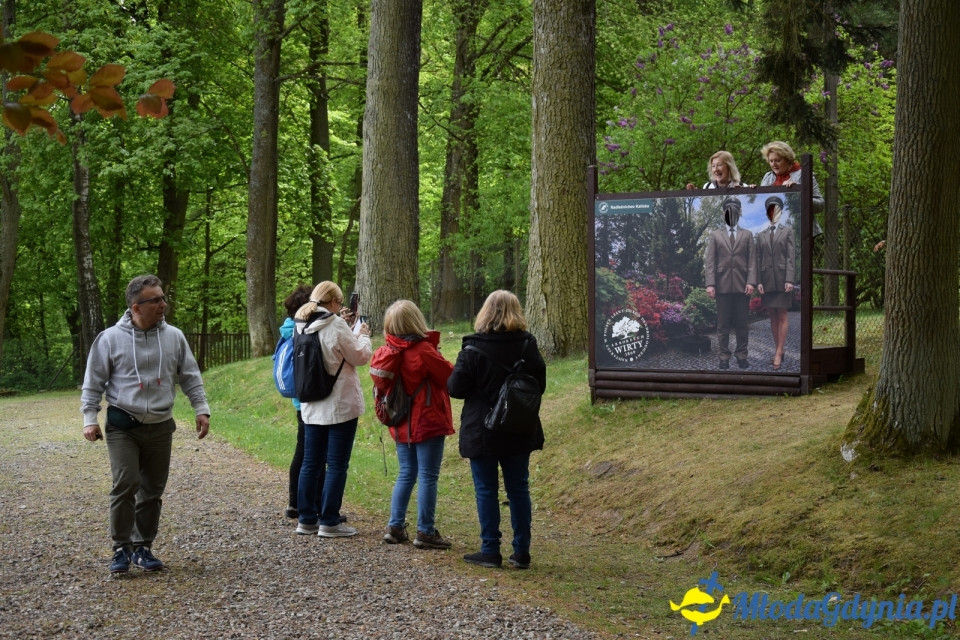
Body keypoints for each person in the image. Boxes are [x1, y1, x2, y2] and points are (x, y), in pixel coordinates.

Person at [81, 274, 211, 575]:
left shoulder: (174, 336)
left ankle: (143, 547)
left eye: (163, 298)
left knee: (152, 489)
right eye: (156, 300)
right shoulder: (110, 339)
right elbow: (93, 383)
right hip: (123, 424)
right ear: (137, 307)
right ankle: (120, 549)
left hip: (161, 426)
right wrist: (90, 419)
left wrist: (201, 409)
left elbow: (190, 376)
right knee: (126, 482)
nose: (163, 304)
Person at [447, 290, 546, 569]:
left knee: (486, 489)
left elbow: (455, 388)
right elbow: (539, 385)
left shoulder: (473, 347)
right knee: (519, 488)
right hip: (518, 424)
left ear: (485, 313)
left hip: (483, 427)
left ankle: (490, 549)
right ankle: (522, 551)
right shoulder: (528, 345)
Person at [373, 300, 455, 549]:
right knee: (428, 476)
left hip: (401, 424)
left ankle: (395, 526)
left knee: (406, 473)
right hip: (427, 422)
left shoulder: (388, 351)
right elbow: (448, 376)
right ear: (416, 321)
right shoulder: (422, 351)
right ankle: (425, 531)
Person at [295, 281, 371, 538]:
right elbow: (359, 356)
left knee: (311, 462)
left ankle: (306, 519)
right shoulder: (335, 324)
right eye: (339, 303)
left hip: (312, 404)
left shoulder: (301, 324)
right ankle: (329, 520)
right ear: (333, 302)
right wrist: (363, 334)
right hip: (339, 404)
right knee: (337, 464)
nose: (341, 308)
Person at [279, 284, 320, 519]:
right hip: (310, 398)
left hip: (298, 397)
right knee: (313, 455)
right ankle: (311, 505)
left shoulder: (288, 328)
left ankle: (296, 503)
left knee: (302, 452)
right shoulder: (305, 330)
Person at [703, 196, 757, 370]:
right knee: (723, 324)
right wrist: (710, 284)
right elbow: (710, 261)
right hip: (722, 286)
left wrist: (751, 282)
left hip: (743, 286)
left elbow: (752, 262)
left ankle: (742, 356)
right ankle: (724, 357)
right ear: (723, 213)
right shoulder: (715, 235)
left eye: (735, 211)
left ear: (739, 213)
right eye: (728, 211)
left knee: (742, 324)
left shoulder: (747, 235)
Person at [756, 196, 795, 370]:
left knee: (782, 315)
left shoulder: (787, 231)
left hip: (782, 278)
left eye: (776, 209)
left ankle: (779, 351)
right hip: (766, 280)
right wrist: (758, 281)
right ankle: (778, 348)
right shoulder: (761, 235)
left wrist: (789, 279)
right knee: (772, 315)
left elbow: (791, 257)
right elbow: (758, 259)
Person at [759, 141, 824, 212]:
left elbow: (820, 205)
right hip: (774, 222)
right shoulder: (768, 177)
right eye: (771, 161)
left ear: (787, 159)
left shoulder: (804, 175)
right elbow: (761, 205)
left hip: (799, 221)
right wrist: (751, 192)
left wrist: (796, 195)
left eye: (777, 160)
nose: (773, 164)